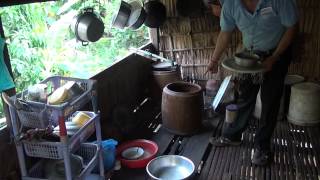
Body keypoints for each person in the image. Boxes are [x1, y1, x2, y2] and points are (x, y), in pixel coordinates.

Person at [207, 0, 298, 166]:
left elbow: (292, 27)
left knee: (270, 102)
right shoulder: (231, 4)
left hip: (276, 55)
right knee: (244, 96)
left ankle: (262, 148)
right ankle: (232, 136)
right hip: (249, 56)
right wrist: (214, 60)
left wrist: (274, 57)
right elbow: (225, 32)